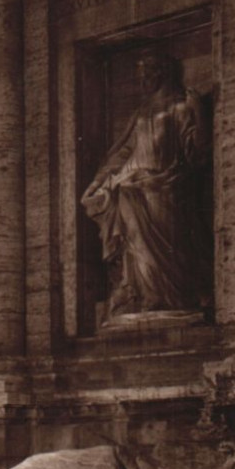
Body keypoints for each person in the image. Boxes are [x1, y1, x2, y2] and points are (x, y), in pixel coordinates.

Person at [80, 49, 206, 317]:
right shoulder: (141, 113)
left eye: (146, 75)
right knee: (135, 244)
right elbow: (123, 153)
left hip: (165, 187)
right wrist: (97, 182)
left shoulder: (180, 108)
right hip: (132, 188)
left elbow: (196, 152)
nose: (142, 81)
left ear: (161, 73)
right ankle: (143, 296)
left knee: (169, 251)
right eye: (140, 76)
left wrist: (200, 114)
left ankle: (172, 300)